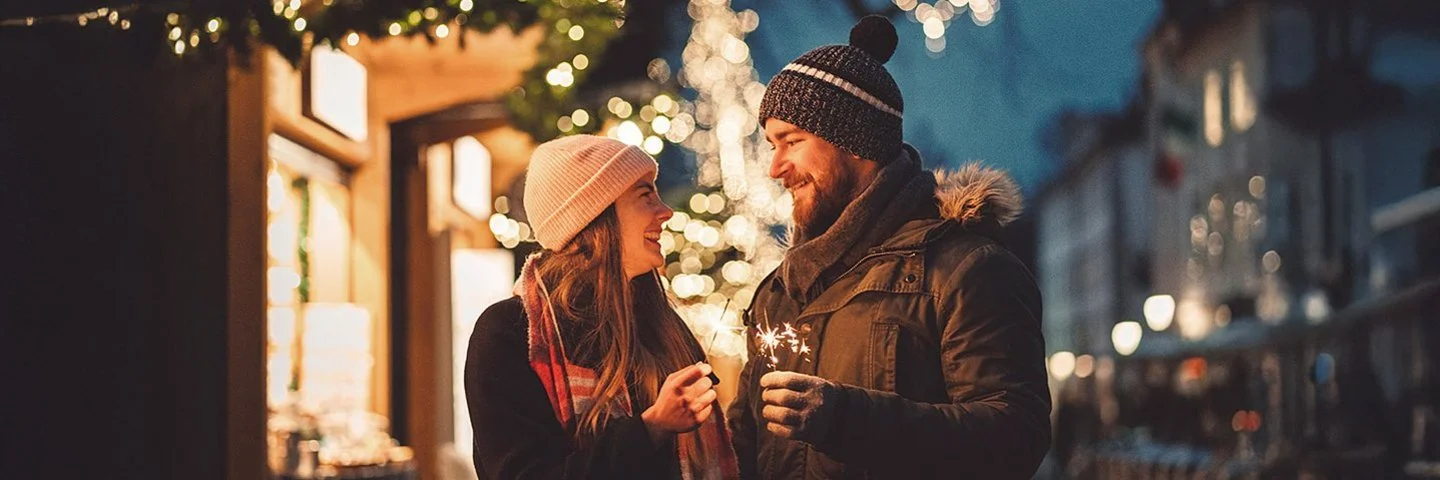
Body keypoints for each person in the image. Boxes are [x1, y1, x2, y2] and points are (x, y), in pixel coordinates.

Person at [726, 15, 1051, 479]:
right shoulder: (781, 292)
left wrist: (847, 418)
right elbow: (745, 442)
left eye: (791, 142)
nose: (775, 167)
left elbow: (1014, 437)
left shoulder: (965, 270)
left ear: (856, 142)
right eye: (771, 145)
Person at [465, 135, 740, 479]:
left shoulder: (660, 325)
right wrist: (651, 428)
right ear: (595, 217)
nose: (665, 211)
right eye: (644, 195)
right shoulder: (509, 332)